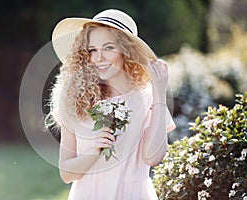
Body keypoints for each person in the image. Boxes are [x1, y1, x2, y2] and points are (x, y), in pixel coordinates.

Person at [46, 9, 175, 200]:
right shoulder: (75, 99)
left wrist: (159, 95)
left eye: (108, 48)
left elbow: (153, 157)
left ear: (126, 51)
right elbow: (67, 173)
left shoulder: (147, 98)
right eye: (92, 50)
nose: (99, 58)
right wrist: (94, 152)